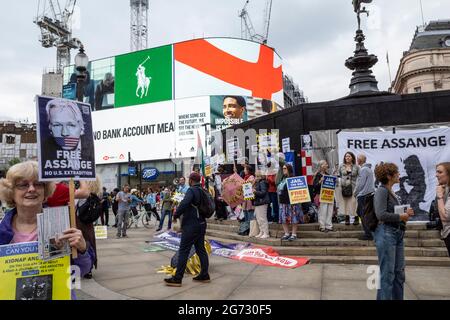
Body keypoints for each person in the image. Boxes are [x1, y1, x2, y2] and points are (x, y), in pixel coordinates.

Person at [0, 161, 94, 299]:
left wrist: (82, 250)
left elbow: (80, 273)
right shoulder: (2, 231)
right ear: (11, 192)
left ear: (45, 191)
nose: (31, 189)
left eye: (38, 184)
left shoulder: (61, 224)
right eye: (23, 185)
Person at [373, 162, 414, 300]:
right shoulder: (382, 191)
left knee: (399, 273)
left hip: (397, 233)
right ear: (389, 176)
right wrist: (401, 216)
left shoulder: (391, 192)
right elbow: (381, 214)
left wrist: (405, 214)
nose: (399, 175)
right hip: (386, 234)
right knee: (387, 274)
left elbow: (391, 213)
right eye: (396, 172)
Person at [164, 172, 210, 287]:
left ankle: (177, 278)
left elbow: (184, 204)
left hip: (191, 225)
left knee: (184, 251)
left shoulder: (192, 190)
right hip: (202, 224)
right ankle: (204, 274)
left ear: (191, 181)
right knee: (201, 250)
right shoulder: (203, 190)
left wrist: (176, 214)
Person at [277, 164, 303, 241]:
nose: (283, 170)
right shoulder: (282, 178)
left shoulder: (293, 178)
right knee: (283, 218)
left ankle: (294, 234)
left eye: (285, 168)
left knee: (294, 218)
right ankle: (287, 233)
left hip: (292, 202)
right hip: (283, 202)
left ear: (289, 169)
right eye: (283, 168)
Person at [354, 154, 375, 240]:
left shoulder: (363, 170)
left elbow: (360, 184)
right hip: (368, 194)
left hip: (363, 195)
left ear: (359, 160)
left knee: (362, 214)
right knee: (364, 214)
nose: (356, 160)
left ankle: (368, 234)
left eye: (357, 159)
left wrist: (355, 193)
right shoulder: (369, 169)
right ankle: (369, 233)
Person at [338, 152, 360, 226]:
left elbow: (359, 177)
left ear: (352, 158)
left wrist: (358, 186)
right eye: (346, 156)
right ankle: (347, 218)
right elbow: (339, 175)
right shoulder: (341, 166)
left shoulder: (356, 167)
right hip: (344, 187)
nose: (347, 158)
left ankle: (356, 218)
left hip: (354, 187)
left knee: (354, 203)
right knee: (346, 203)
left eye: (349, 156)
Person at [313, 160, 334, 232]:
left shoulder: (328, 175)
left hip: (329, 194)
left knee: (329, 210)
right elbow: (315, 186)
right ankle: (322, 226)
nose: (326, 165)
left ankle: (329, 226)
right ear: (321, 166)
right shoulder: (318, 175)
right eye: (325, 164)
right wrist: (320, 181)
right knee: (322, 210)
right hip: (321, 195)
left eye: (326, 164)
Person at [436, 162, 450, 256]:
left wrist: (440, 197)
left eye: (440, 172)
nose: (436, 175)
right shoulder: (445, 189)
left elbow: (445, 216)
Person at [238, 165, 255, 236]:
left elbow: (248, 185)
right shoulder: (245, 178)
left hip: (250, 199)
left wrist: (242, 184)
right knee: (245, 214)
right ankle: (246, 229)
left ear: (248, 170)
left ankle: (251, 230)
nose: (244, 171)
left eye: (245, 169)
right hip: (245, 199)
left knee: (250, 214)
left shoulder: (251, 177)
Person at [253, 171, 270, 239]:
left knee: (262, 218)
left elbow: (263, 192)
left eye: (257, 176)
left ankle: (266, 232)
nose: (256, 178)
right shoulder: (257, 183)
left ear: (260, 176)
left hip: (262, 202)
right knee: (259, 218)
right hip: (258, 202)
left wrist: (255, 191)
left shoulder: (262, 182)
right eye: (255, 176)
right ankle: (261, 231)